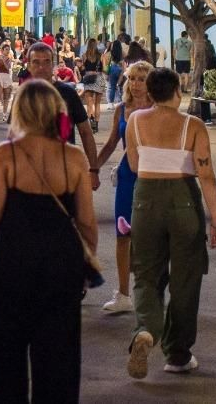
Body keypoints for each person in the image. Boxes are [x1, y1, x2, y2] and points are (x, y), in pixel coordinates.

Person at [0, 80, 96, 402]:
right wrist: (86, 260)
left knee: (7, 359)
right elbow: (87, 222)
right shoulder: (74, 158)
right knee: (59, 362)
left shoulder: (8, 154)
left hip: (13, 264)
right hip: (61, 266)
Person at [124, 67, 216, 379]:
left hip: (145, 198)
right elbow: (205, 175)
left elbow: (134, 163)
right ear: (177, 92)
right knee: (185, 278)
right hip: (183, 198)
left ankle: (146, 330)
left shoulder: (135, 121)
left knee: (145, 273)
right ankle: (177, 353)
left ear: (151, 93)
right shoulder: (192, 125)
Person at [94, 60, 153, 316]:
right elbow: (109, 144)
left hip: (152, 177)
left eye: (142, 79)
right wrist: (92, 169)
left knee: (151, 236)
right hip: (128, 177)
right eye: (133, 79)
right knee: (122, 235)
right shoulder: (121, 109)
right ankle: (123, 293)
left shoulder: (158, 109)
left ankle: (151, 292)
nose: (137, 84)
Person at [24, 43, 102, 193]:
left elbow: (85, 132)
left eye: (46, 62)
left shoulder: (68, 93)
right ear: (29, 66)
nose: (41, 67)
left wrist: (93, 170)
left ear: (53, 65)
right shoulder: (24, 96)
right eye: (36, 62)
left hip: (65, 171)